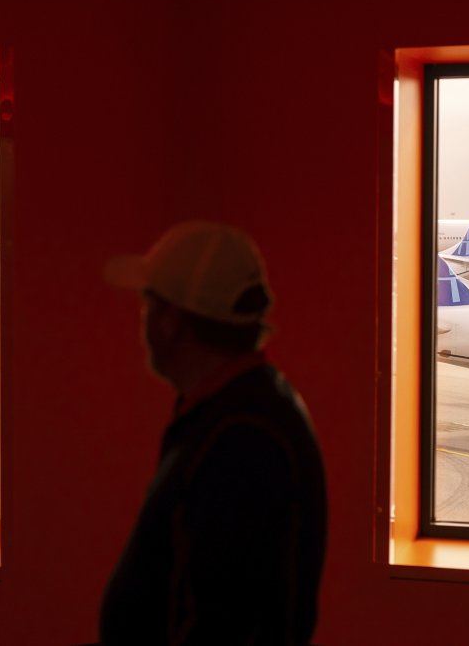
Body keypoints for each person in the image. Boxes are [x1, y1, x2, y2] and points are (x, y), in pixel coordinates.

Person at [99, 221, 327, 645]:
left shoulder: (244, 441)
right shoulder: (239, 411)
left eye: (148, 304)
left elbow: (222, 624)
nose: (142, 320)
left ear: (170, 322)